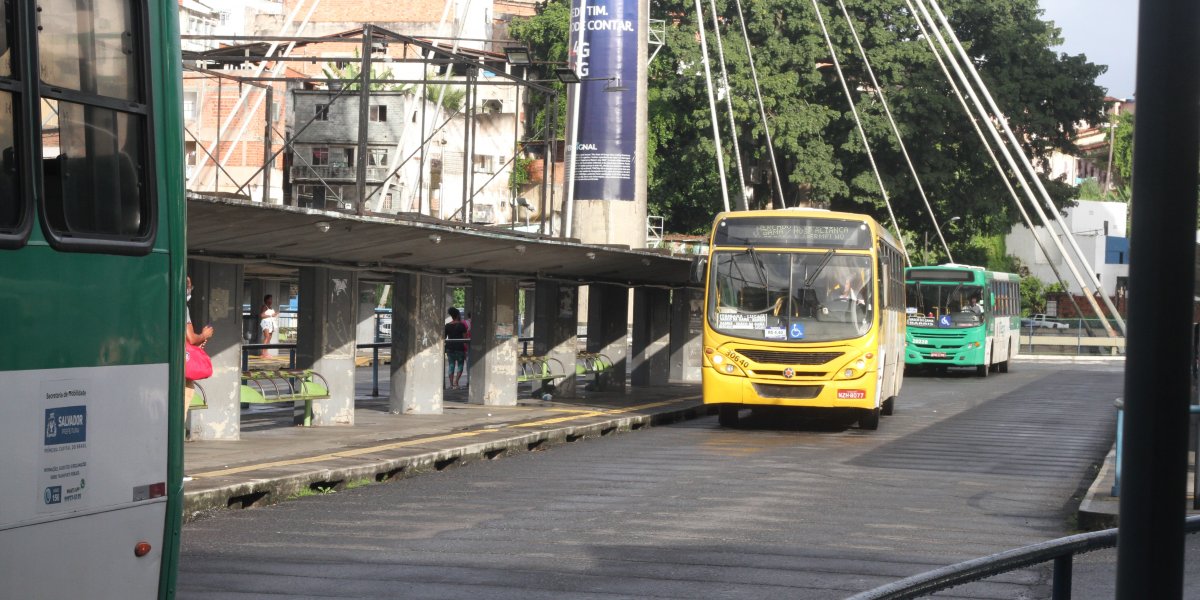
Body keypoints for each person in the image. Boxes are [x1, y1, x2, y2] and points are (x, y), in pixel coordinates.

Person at [184, 277, 213, 460]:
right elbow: (190, 338)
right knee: (180, 416)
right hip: (182, 371)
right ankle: (175, 469)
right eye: (188, 286)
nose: (190, 290)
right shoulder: (181, 307)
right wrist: (204, 334)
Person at [444, 307, 469, 390]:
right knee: (460, 365)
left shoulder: (447, 326)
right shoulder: (462, 325)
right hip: (459, 348)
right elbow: (465, 338)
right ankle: (456, 382)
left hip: (450, 348)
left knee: (451, 365)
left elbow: (443, 337)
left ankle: (451, 384)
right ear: (458, 315)